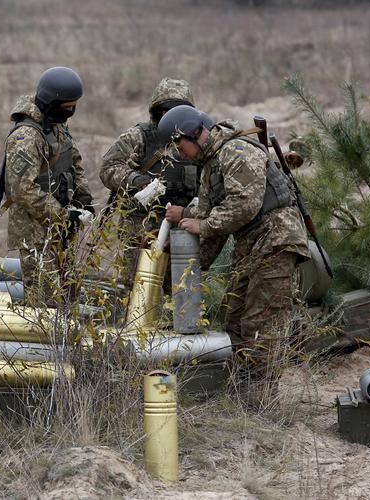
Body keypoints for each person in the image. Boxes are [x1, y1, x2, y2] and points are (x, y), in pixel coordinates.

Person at [158, 104, 311, 401]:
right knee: (234, 318)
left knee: (260, 326)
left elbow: (244, 206)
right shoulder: (211, 168)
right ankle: (240, 394)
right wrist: (178, 275)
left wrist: (203, 225)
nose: (180, 154)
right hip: (253, 246)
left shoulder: (236, 152)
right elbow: (209, 233)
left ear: (194, 133)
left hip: (276, 242)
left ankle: (260, 400)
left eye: (179, 146)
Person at [99, 78, 199, 289]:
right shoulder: (139, 136)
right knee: (138, 290)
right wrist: (138, 181)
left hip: (183, 228)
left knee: (181, 292)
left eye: (178, 111)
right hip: (140, 229)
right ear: (157, 111)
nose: (171, 116)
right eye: (166, 110)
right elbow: (108, 169)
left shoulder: (196, 138)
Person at [3, 66, 95, 294]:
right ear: (50, 103)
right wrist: (64, 216)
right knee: (46, 300)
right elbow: (24, 190)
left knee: (69, 293)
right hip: (37, 233)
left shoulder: (57, 125)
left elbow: (73, 163)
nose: (72, 111)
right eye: (67, 107)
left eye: (74, 105)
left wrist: (83, 199)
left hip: (60, 226)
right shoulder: (26, 137)